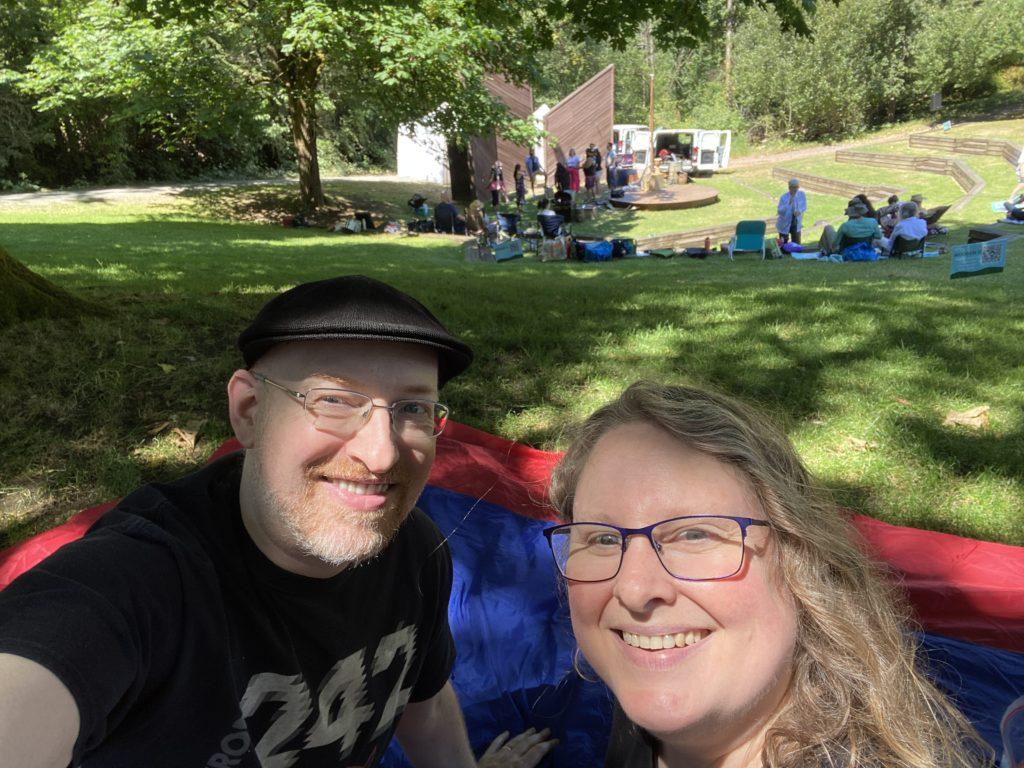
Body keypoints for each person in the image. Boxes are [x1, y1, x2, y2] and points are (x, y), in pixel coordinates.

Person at [0, 276, 556, 768]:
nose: (382, 455)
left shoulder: (414, 549)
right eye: (335, 399)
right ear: (248, 411)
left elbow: (425, 704)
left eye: (411, 409)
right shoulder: (140, 583)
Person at [544, 381, 991, 768]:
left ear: (801, 562)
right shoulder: (650, 699)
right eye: (602, 539)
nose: (635, 590)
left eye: (695, 534)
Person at [776, 178, 807, 244]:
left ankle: (795, 253)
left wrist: (799, 211)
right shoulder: (784, 197)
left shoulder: (802, 195)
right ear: (789, 187)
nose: (795, 189)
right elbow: (780, 211)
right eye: (793, 187)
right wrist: (788, 203)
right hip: (784, 223)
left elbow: (804, 206)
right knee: (783, 244)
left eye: (797, 187)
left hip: (796, 222)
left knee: (796, 244)